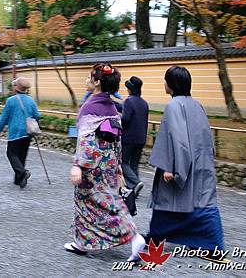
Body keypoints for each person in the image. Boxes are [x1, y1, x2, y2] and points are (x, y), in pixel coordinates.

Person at [65, 63, 145, 260]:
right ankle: (83, 242)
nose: (87, 80)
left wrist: (77, 164)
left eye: (90, 77)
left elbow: (85, 138)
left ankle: (133, 236)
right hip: (108, 161)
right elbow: (117, 136)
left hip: (91, 164)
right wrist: (117, 163)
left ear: (97, 82)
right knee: (108, 200)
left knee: (91, 203)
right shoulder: (110, 105)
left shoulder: (90, 106)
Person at [146, 65, 226, 262]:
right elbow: (205, 137)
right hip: (201, 164)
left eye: (166, 80)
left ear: (171, 85)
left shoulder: (174, 106)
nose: (164, 84)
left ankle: (156, 239)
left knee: (169, 200)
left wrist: (172, 168)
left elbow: (178, 139)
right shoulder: (196, 105)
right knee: (203, 204)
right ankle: (211, 247)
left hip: (181, 165)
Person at [0, 77, 40, 189]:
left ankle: (22, 173)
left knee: (11, 153)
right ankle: (18, 180)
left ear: (16, 87)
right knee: (22, 155)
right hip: (28, 132)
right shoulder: (31, 100)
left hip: (15, 132)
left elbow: (5, 117)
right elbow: (37, 116)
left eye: (14, 85)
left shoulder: (11, 100)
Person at [121, 76, 149, 197]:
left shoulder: (129, 101)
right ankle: (134, 191)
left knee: (123, 162)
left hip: (129, 138)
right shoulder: (144, 103)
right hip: (141, 138)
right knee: (134, 164)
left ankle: (136, 182)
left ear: (130, 89)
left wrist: (118, 120)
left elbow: (125, 119)